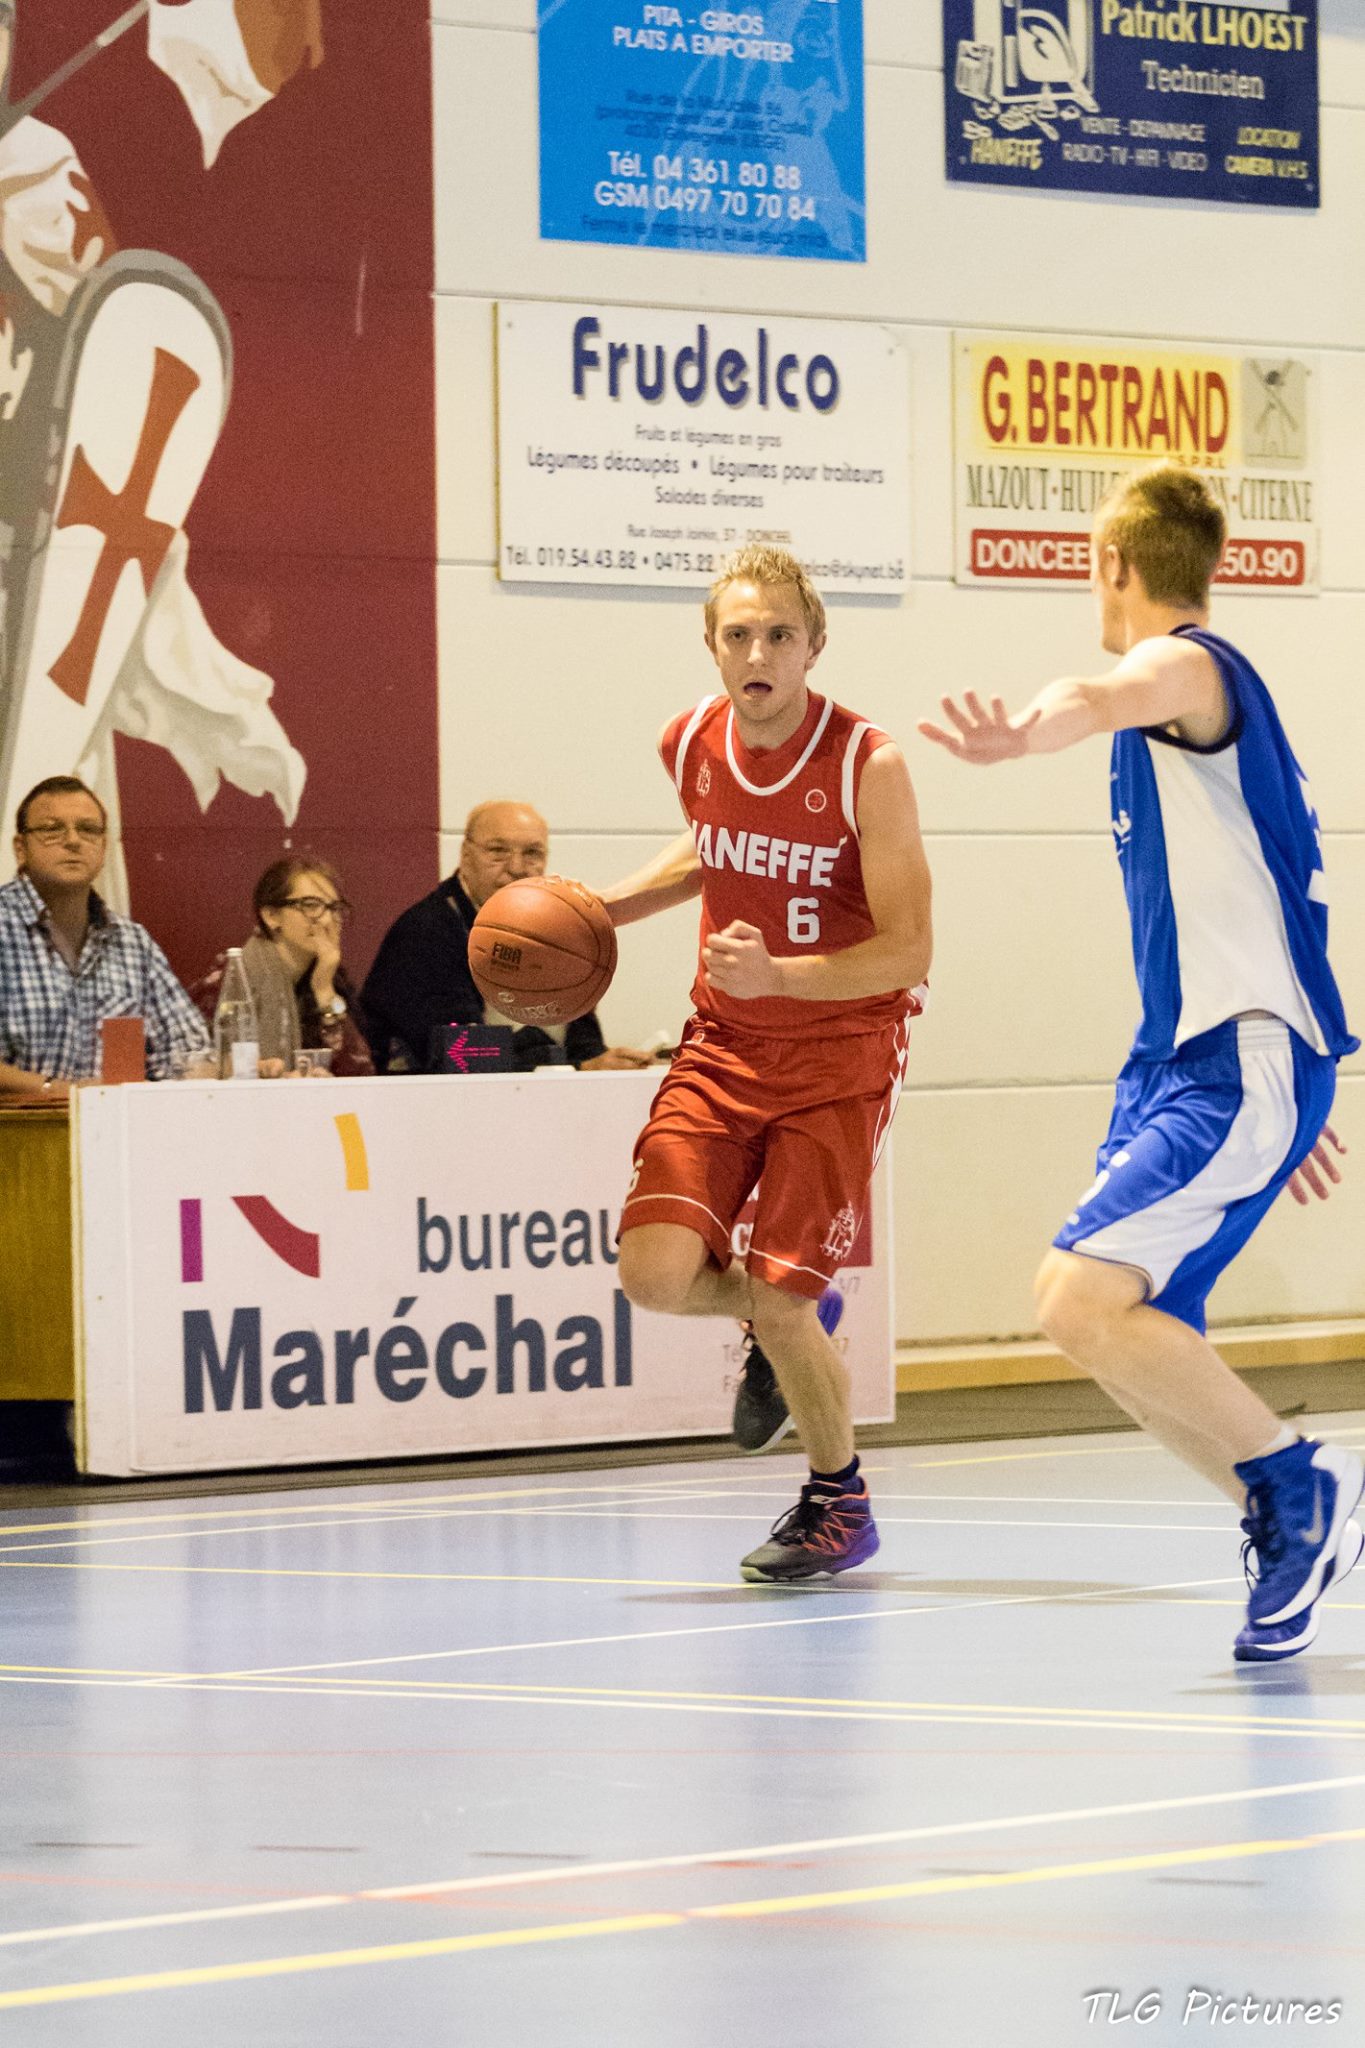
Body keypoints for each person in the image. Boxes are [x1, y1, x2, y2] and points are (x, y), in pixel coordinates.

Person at [919, 461, 1360, 1664]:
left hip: (1231, 1063)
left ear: (1110, 561)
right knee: (1127, 1322)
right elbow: (1265, 897)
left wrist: (1024, 731)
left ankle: (1301, 1486)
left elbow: (1097, 689)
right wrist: (1290, 1085)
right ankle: (1286, 1522)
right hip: (1209, 1061)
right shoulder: (1201, 722)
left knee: (1075, 1295)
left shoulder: (1186, 667)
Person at [602, 545, 932, 1583]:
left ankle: (839, 1504)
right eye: (738, 635)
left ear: (814, 645)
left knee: (782, 1300)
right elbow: (714, 847)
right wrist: (601, 910)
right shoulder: (689, 740)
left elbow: (910, 949)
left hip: (840, 1053)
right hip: (724, 1043)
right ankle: (781, 1311)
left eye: (778, 635)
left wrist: (781, 975)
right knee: (653, 1275)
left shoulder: (867, 763)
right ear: (711, 645)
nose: (757, 653)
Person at [361, 801, 657, 1074]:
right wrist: (579, 1068)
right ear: (465, 856)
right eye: (498, 851)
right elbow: (462, 1055)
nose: (517, 868)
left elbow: (583, 1044)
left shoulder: (556, 930)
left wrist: (604, 1063)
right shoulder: (425, 932)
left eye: (532, 853)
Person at [0, 775, 210, 1099]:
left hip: (117, 1127)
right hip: (19, 1128)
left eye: (88, 829)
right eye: (52, 829)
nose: (73, 841)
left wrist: (234, 1070)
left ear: (102, 848)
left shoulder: (132, 943)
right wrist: (61, 1092)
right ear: (20, 848)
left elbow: (190, 1054)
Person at [192, 856, 373, 1077]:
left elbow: (361, 1076)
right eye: (311, 905)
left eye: (334, 908)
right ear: (271, 916)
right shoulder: (233, 979)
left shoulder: (329, 977)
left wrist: (324, 990)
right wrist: (267, 1075)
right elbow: (195, 1068)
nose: (327, 920)